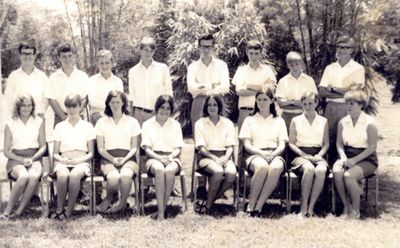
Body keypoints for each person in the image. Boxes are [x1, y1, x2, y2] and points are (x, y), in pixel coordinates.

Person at [239, 87, 288, 216]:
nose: (262, 102)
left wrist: (273, 154)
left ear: (272, 101)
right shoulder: (249, 120)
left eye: (265, 99)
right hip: (255, 154)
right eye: (259, 99)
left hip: (275, 154)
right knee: (262, 167)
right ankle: (250, 205)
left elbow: (282, 144)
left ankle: (259, 206)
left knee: (275, 168)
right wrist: (261, 154)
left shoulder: (279, 121)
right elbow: (247, 145)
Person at [319, 36, 365, 164]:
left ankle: (347, 169)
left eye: (347, 47)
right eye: (340, 47)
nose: (343, 50)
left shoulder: (358, 68)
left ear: (352, 50)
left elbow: (355, 91)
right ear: (336, 48)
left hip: (349, 108)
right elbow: (322, 91)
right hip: (331, 108)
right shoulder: (330, 68)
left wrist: (332, 89)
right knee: (330, 139)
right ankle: (329, 172)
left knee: (347, 138)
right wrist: (345, 91)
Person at [332, 90, 378, 219]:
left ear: (361, 105)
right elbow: (339, 144)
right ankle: (346, 207)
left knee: (349, 176)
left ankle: (355, 211)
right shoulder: (343, 122)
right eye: (347, 103)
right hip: (346, 155)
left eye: (352, 103)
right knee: (337, 172)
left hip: (366, 158)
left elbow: (372, 147)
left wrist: (354, 160)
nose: (348, 106)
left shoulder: (370, 123)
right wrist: (343, 157)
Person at [49, 94, 95, 220]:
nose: (71, 109)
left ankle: (69, 210)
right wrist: (61, 160)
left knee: (74, 175)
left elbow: (91, 153)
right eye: (68, 106)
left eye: (74, 106)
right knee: (63, 175)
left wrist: (79, 160)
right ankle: (59, 208)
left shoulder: (88, 126)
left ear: (80, 107)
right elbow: (55, 153)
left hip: (81, 161)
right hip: (63, 161)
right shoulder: (60, 126)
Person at [1, 94, 46, 219]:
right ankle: (7, 210)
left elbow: (43, 146)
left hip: (34, 157)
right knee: (23, 176)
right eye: (23, 106)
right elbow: (6, 151)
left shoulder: (38, 121)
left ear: (33, 106)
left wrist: (32, 159)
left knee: (33, 176)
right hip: (15, 159)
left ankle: (19, 212)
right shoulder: (10, 123)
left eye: (29, 105)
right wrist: (21, 160)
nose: (26, 108)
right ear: (18, 107)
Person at [95, 91, 141, 213]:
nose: (115, 105)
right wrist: (112, 159)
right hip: (108, 157)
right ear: (108, 104)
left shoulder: (132, 122)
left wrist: (125, 159)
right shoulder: (101, 122)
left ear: (123, 103)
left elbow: (134, 147)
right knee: (113, 177)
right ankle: (109, 198)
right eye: (112, 102)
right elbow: (100, 148)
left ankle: (121, 203)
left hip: (128, 158)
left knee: (126, 176)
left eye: (118, 102)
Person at [141, 95, 184, 220]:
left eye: (168, 108)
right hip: (153, 157)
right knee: (159, 170)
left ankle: (162, 210)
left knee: (170, 170)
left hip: (172, 157)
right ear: (156, 107)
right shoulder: (147, 124)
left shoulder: (175, 125)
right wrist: (159, 158)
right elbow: (147, 149)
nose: (165, 111)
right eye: (162, 107)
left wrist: (170, 156)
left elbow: (178, 148)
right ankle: (161, 213)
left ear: (171, 110)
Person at [194, 94, 237, 214]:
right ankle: (208, 205)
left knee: (231, 173)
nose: (212, 107)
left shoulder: (228, 123)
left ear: (219, 106)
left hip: (224, 156)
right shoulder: (200, 123)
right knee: (218, 172)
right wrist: (213, 157)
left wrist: (226, 157)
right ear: (205, 107)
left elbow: (230, 146)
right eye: (209, 105)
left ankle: (210, 199)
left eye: (215, 105)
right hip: (206, 157)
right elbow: (201, 148)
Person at [288, 92, 329, 217]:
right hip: (300, 155)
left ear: (316, 103)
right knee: (309, 168)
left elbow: (326, 144)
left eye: (310, 103)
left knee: (321, 170)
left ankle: (311, 206)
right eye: (304, 103)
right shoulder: (296, 120)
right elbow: (291, 143)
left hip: (318, 154)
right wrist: (303, 155)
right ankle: (303, 206)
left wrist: (319, 155)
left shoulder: (323, 121)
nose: (307, 106)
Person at [187, 34, 229, 133]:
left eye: (208, 46)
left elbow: (225, 87)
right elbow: (192, 88)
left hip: (217, 102)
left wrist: (201, 86)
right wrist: (212, 85)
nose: (206, 50)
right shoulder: (192, 67)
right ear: (199, 47)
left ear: (213, 47)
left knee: (219, 134)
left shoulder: (222, 65)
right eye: (203, 46)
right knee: (199, 135)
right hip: (199, 102)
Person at [128, 37, 173, 126]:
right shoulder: (133, 71)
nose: (148, 53)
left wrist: (167, 113)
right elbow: (132, 96)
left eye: (151, 51)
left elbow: (168, 92)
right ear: (140, 50)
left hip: (157, 114)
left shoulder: (162, 68)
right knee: (139, 140)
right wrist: (131, 117)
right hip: (138, 115)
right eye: (146, 50)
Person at [232, 39, 277, 129]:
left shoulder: (267, 70)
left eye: (256, 53)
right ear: (247, 53)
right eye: (251, 53)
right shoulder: (241, 70)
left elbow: (271, 90)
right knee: (243, 141)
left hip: (263, 111)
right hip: (245, 110)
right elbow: (239, 91)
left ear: (260, 53)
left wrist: (248, 86)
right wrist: (262, 89)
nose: (254, 56)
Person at [4, 41, 50, 119]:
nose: (27, 56)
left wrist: (40, 113)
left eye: (30, 54)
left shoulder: (42, 77)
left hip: (37, 118)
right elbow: (9, 99)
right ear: (20, 55)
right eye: (24, 53)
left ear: (34, 56)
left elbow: (46, 99)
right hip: (18, 118)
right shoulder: (13, 76)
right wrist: (14, 115)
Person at [47, 43, 90, 126]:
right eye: (64, 56)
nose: (67, 59)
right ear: (59, 58)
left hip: (79, 117)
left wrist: (75, 114)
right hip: (60, 118)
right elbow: (52, 100)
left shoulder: (82, 76)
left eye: (70, 56)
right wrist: (63, 117)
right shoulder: (53, 78)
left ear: (73, 56)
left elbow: (86, 98)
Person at [276, 51, 318, 130]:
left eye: (297, 64)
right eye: (292, 65)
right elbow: (280, 103)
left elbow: (312, 101)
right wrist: (298, 102)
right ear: (288, 65)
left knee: (304, 140)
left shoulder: (309, 80)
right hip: (287, 116)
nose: (295, 67)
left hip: (305, 115)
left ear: (301, 64)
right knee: (288, 141)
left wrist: (289, 102)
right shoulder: (283, 81)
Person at [88, 50, 124, 125]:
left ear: (112, 63)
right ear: (98, 64)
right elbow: (92, 101)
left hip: (113, 116)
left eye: (107, 63)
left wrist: (108, 112)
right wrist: (105, 111)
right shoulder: (92, 80)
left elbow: (119, 101)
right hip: (96, 117)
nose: (104, 66)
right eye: (101, 63)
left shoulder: (118, 81)